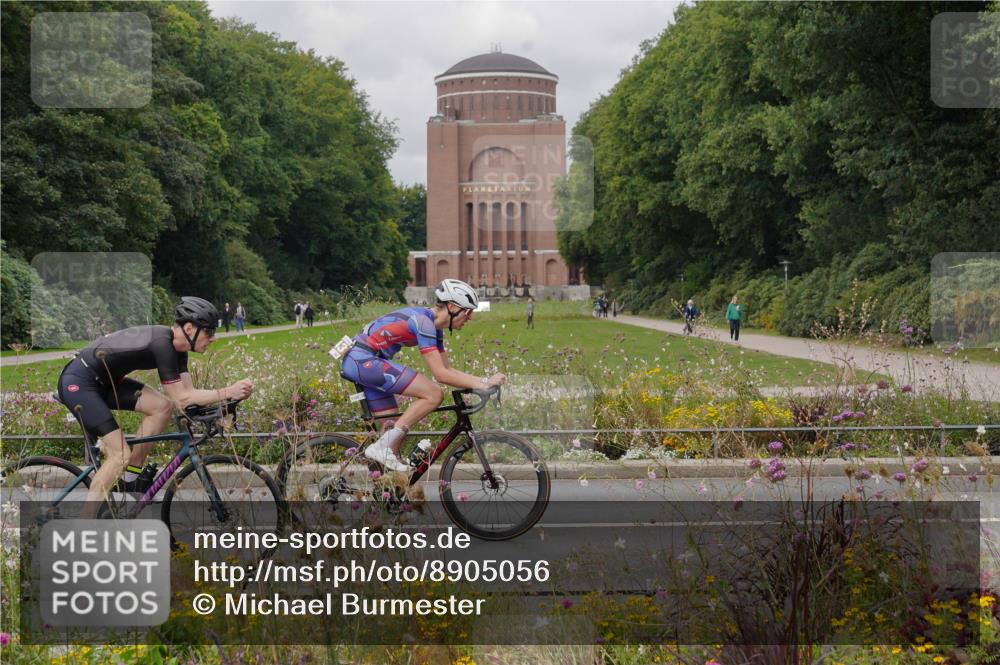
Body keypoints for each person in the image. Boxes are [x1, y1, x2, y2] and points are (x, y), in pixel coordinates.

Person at [56, 297, 255, 512]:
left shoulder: (179, 349)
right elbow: (182, 398)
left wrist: (227, 400)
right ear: (189, 328)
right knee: (119, 454)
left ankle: (131, 477)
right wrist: (228, 391)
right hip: (80, 383)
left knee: (162, 407)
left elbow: (187, 395)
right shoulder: (162, 344)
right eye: (209, 331)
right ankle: (85, 522)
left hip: (106, 383)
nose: (213, 338)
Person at [340, 279, 506, 472]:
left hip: (363, 361)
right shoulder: (424, 322)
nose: (470, 318)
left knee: (391, 436)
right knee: (433, 394)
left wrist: (484, 381)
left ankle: (387, 486)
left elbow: (447, 368)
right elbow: (441, 375)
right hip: (363, 361)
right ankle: (381, 449)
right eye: (468, 312)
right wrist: (484, 384)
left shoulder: (434, 327)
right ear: (452, 307)